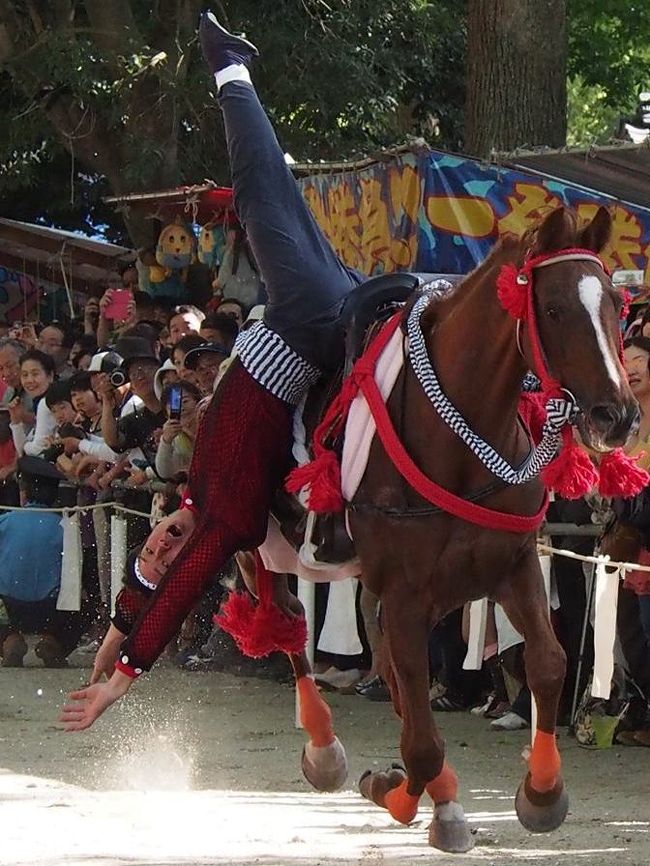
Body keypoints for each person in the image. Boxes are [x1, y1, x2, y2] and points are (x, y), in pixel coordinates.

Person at [62, 11, 362, 730]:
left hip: (325, 318)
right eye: (171, 546)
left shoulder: (195, 505)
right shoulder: (227, 520)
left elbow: (149, 584)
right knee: (262, 193)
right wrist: (126, 679)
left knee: (282, 197)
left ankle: (235, 71)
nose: (162, 537)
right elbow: (177, 588)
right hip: (305, 323)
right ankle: (227, 65)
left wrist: (113, 641)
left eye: (158, 538)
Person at [0, 457, 83, 667]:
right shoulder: (66, 527)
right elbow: (75, 574)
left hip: (11, 606)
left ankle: (7, 640)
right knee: (90, 602)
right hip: (52, 610)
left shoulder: (5, 522)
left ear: (24, 492)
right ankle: (55, 641)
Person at [9, 349, 57, 457]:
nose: (29, 380)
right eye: (25, 375)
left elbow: (36, 450)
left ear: (50, 376)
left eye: (35, 374)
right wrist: (16, 421)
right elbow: (22, 451)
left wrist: (27, 446)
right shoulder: (40, 402)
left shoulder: (46, 403)